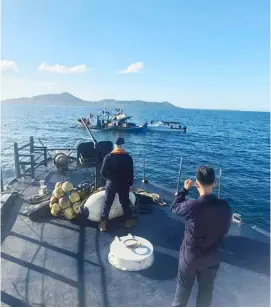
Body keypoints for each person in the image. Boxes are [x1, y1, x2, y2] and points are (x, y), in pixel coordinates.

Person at [171, 166, 232, 307]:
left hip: (190, 258)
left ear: (196, 184)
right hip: (211, 257)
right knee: (205, 295)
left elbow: (174, 208)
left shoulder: (192, 206)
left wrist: (184, 190)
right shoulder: (226, 208)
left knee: (182, 293)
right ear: (214, 183)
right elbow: (224, 232)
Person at [99, 137, 136, 232]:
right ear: (123, 145)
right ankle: (128, 220)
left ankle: (103, 223)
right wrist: (130, 184)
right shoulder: (128, 157)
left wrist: (109, 179)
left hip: (111, 183)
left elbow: (102, 172)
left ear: (114, 145)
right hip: (124, 183)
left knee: (107, 203)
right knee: (125, 202)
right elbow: (131, 173)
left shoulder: (108, 156)